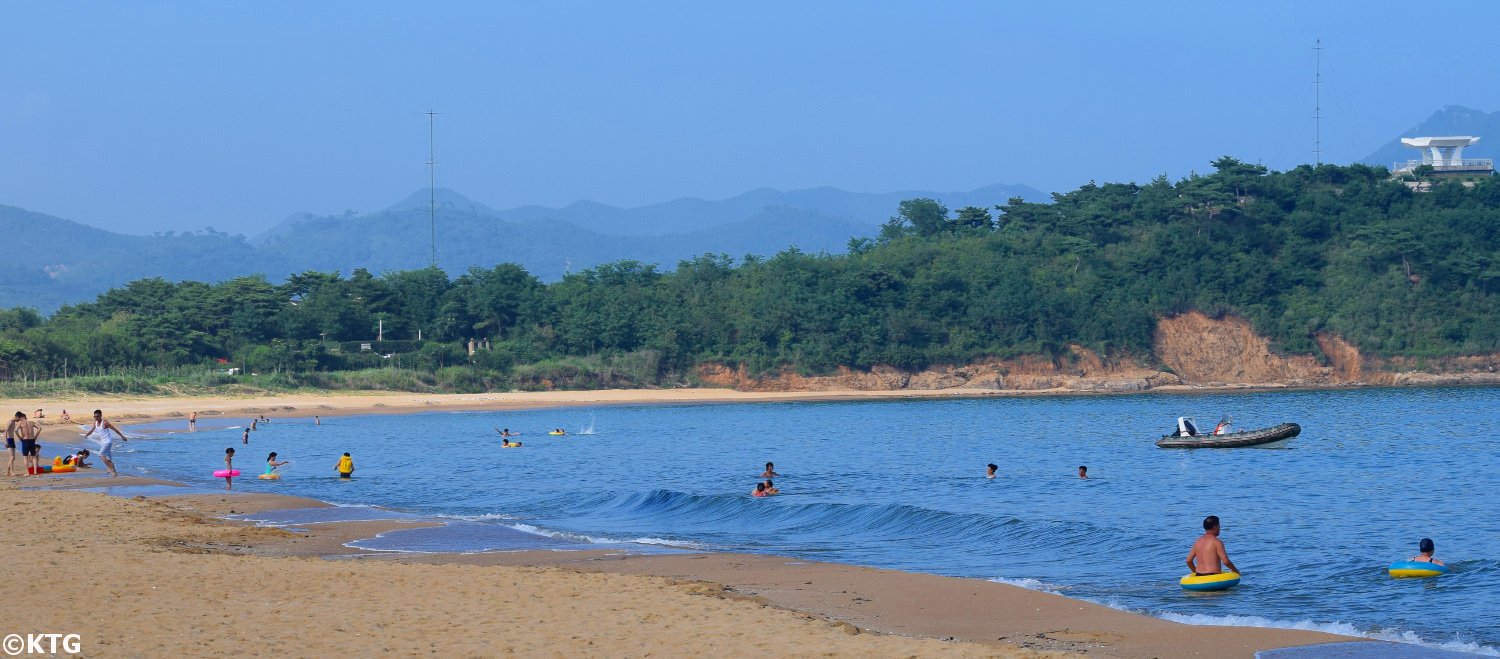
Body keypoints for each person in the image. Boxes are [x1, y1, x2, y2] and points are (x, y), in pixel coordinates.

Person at [82, 409, 129, 477]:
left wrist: (122, 436)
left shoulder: (105, 423)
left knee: (100, 455)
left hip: (108, 442)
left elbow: (114, 429)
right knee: (108, 459)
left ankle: (110, 469)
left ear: (101, 416)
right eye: (94, 416)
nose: (96, 418)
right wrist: (87, 434)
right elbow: (92, 430)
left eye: (97, 416)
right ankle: (115, 474)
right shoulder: (95, 422)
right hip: (103, 442)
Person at [14, 412, 43, 476]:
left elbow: (15, 430)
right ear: (25, 417)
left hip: (25, 440)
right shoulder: (31, 422)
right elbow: (40, 428)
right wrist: (35, 436)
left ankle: (27, 472)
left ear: (22, 417)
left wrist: (19, 437)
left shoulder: (20, 423)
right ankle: (35, 471)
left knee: (25, 457)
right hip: (32, 440)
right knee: (34, 456)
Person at [4, 411, 19, 477]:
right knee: (12, 457)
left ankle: (7, 472)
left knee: (13, 457)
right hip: (9, 440)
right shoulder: (10, 422)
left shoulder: (13, 422)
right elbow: (5, 431)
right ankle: (12, 472)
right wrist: (5, 441)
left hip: (12, 440)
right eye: (19, 418)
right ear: (16, 417)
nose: (19, 420)